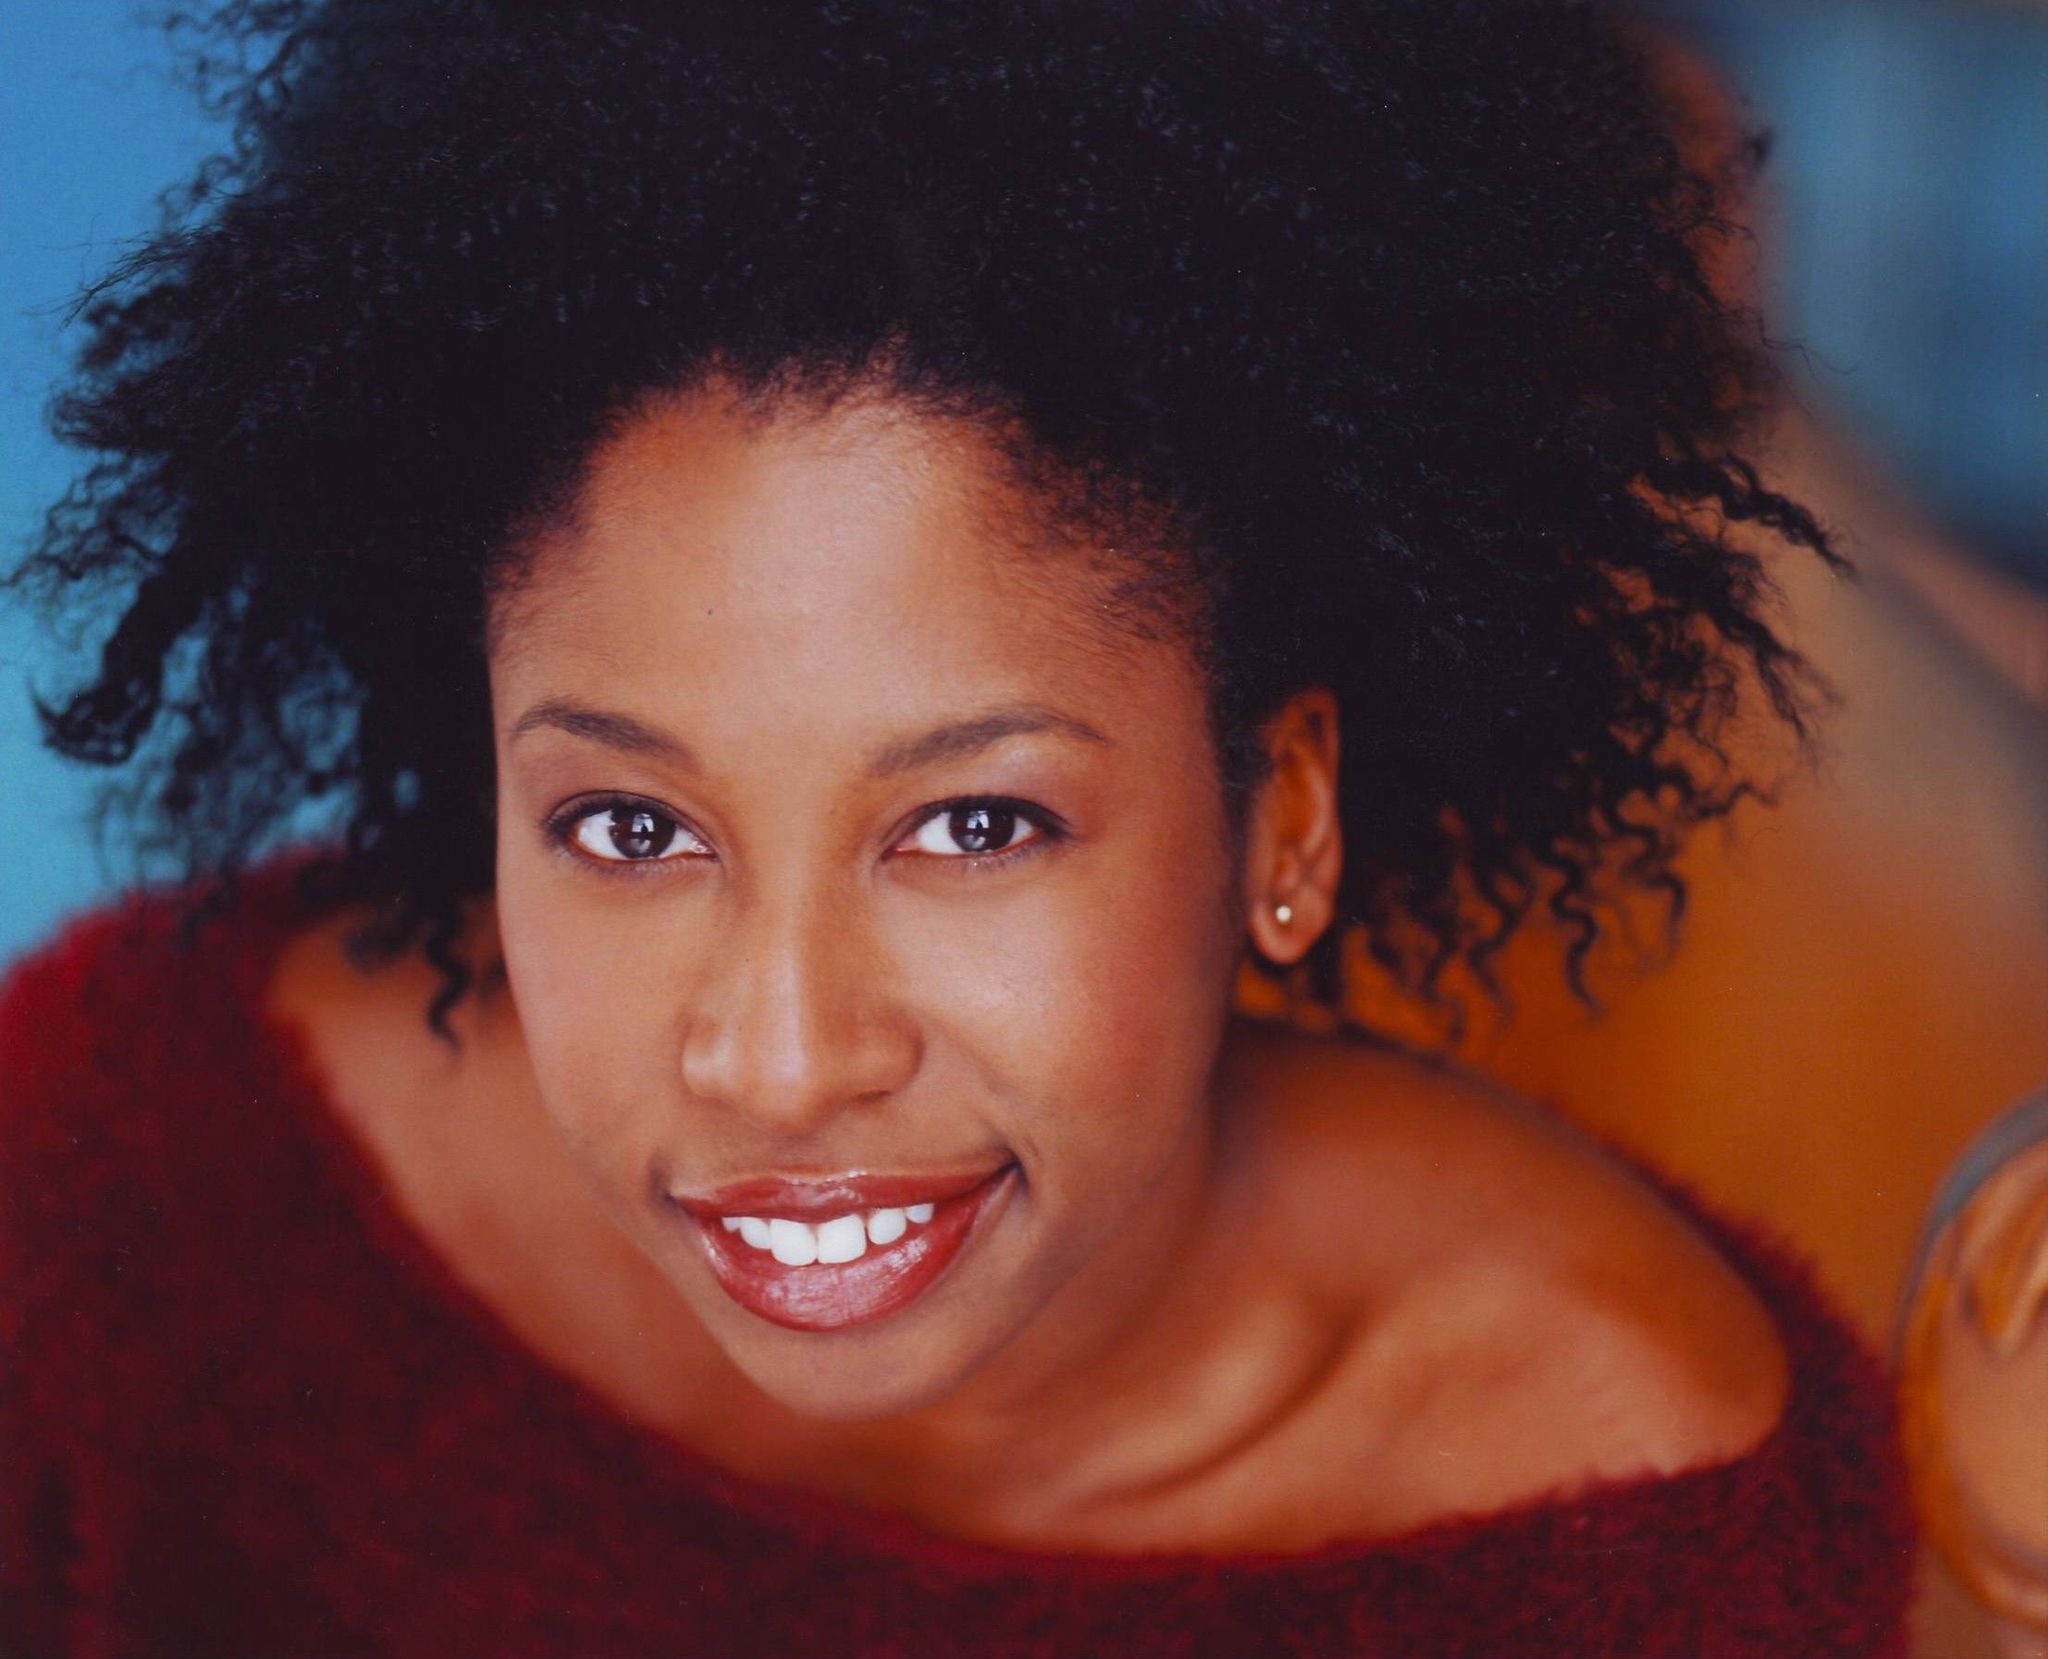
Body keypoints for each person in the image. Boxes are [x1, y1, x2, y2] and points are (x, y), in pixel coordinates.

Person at [0, 0, 1913, 1651]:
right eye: (631, 830)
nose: (780, 1061)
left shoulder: (1625, 1525)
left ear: (1286, 818)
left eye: (976, 825)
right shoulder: (148, 1184)